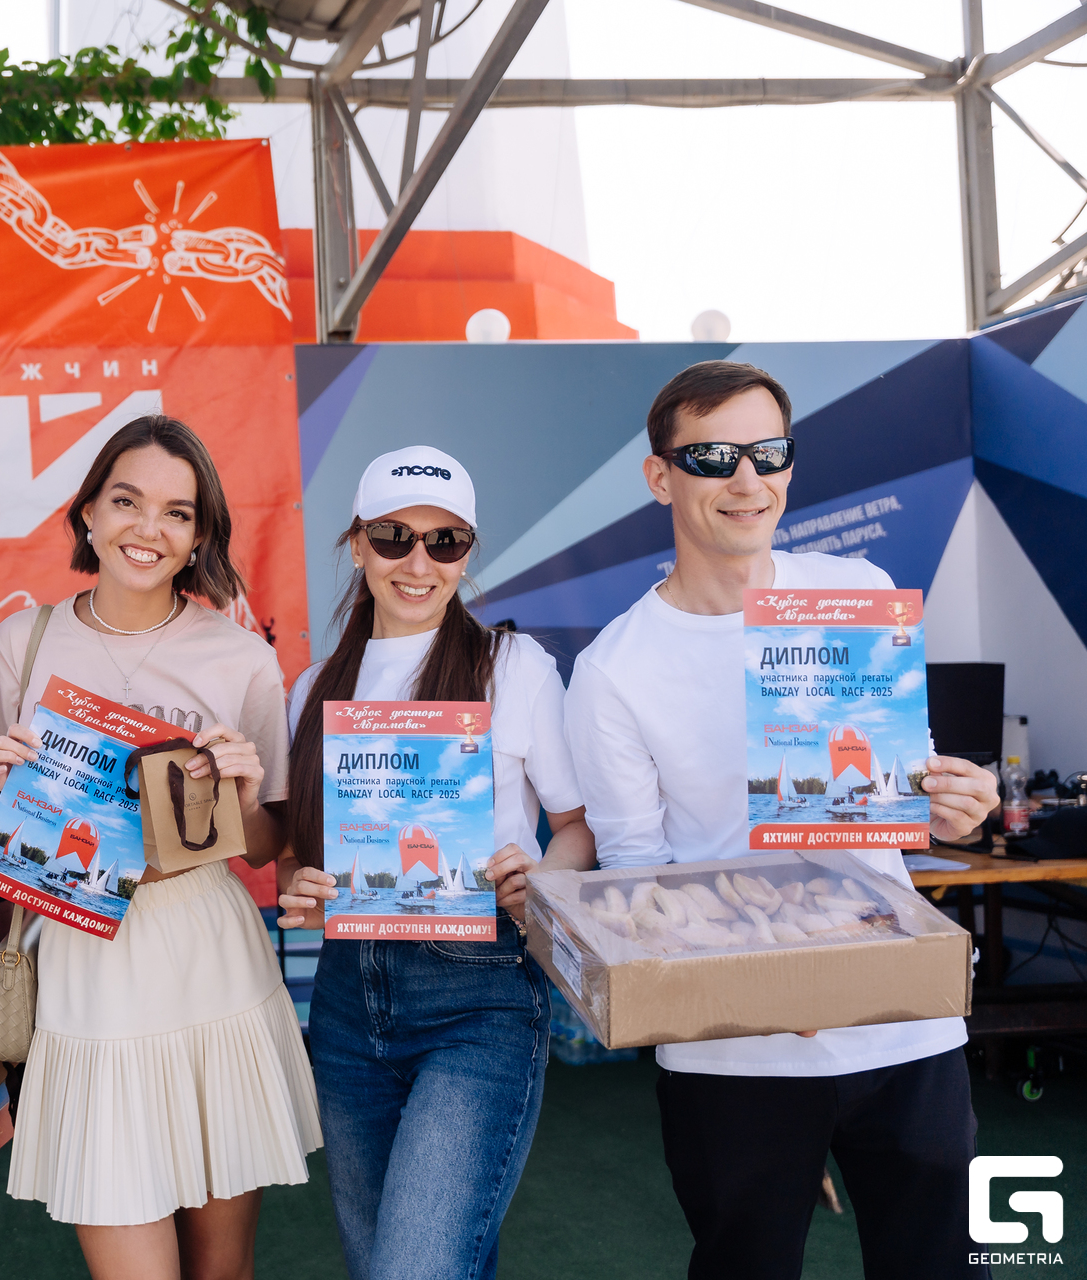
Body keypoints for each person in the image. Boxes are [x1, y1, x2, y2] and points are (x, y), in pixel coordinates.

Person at [564, 362, 999, 1280]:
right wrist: (773, 987)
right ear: (659, 477)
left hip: (903, 1022)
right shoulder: (613, 670)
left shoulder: (856, 591)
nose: (746, 479)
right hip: (736, 1054)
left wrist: (955, 806)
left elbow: (904, 787)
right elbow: (641, 880)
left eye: (767, 453)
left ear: (789, 466)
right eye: (711, 457)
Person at [0, 415, 321, 1280]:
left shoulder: (240, 657)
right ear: (88, 512)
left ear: (200, 535)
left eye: (178, 512)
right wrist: (0, 787)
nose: (149, 528)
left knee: (220, 1270)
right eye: (127, 501)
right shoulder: (20, 645)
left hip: (208, 955)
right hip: (83, 965)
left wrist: (240, 795)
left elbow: (265, 846)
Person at [274, 447, 596, 1280]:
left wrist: (542, 885)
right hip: (346, 1000)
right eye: (394, 537)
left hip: (480, 997)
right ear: (357, 544)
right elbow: (300, 861)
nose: (418, 564)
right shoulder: (312, 689)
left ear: (467, 551)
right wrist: (300, 885)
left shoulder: (514, 668)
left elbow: (576, 828)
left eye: (445, 542)